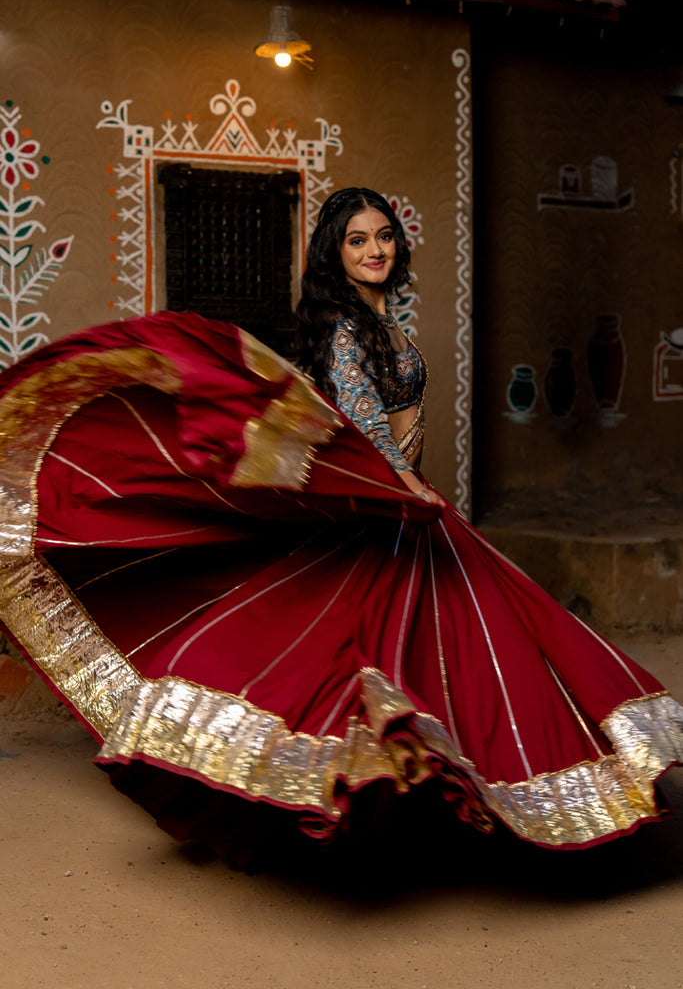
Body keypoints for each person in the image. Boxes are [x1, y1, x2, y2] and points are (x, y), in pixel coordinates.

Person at [0, 188, 680, 860]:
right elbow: (360, 417)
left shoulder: (380, 324)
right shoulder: (341, 327)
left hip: (404, 503)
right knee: (388, 660)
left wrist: (415, 487)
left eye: (383, 235)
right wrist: (409, 489)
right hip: (389, 506)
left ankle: (429, 800)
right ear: (335, 252)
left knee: (442, 658)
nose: (375, 249)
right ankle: (397, 802)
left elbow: (393, 424)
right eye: (357, 240)